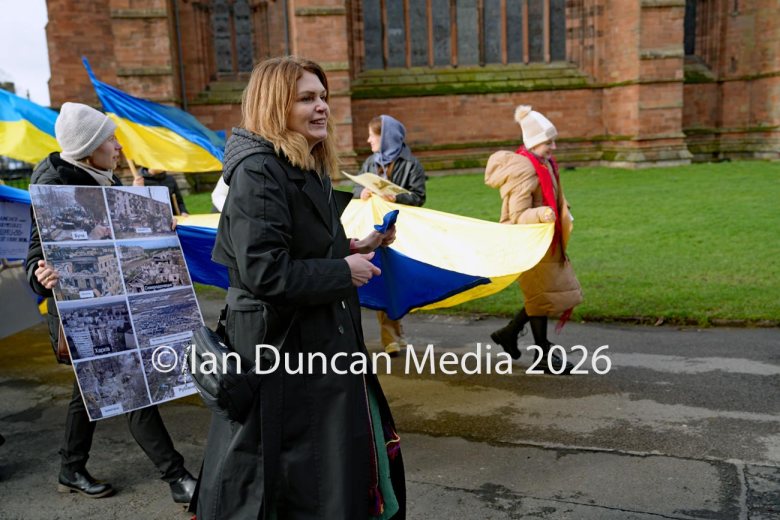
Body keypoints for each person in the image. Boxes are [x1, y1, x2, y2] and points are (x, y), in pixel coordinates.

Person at [199, 56, 406, 519]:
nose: (322, 108)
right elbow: (264, 272)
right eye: (307, 98)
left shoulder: (300, 163)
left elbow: (298, 246)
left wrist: (358, 245)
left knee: (326, 477)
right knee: (293, 485)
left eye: (324, 97)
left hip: (316, 348)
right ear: (275, 105)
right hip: (281, 356)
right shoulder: (258, 171)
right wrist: (342, 272)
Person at [25, 102, 197, 502]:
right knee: (131, 382)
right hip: (82, 309)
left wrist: (154, 220)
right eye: (110, 140)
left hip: (116, 298)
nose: (118, 147)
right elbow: (36, 253)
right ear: (88, 148)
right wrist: (41, 272)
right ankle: (177, 478)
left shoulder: (101, 177)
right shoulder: (55, 186)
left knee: (89, 389)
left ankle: (70, 467)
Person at [484, 105, 583, 374]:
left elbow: (548, 195)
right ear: (534, 141)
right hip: (527, 239)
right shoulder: (524, 169)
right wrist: (545, 213)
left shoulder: (543, 163)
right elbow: (516, 215)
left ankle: (511, 333)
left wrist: (562, 209)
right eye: (548, 141)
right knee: (542, 295)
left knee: (545, 294)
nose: (554, 146)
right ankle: (540, 353)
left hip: (544, 238)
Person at [354, 115, 426, 357]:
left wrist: (398, 197)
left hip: (401, 232)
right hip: (374, 230)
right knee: (382, 279)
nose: (368, 140)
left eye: (372, 136)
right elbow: (356, 188)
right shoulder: (370, 163)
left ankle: (396, 331)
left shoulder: (411, 164)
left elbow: (418, 196)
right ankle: (390, 337)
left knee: (396, 280)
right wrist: (361, 191)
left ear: (385, 138)